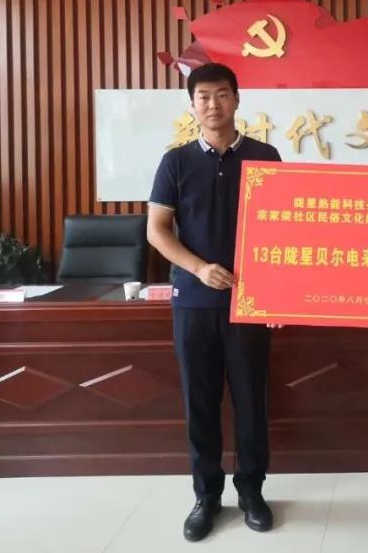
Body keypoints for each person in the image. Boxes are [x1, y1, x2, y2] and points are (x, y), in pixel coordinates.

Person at [147, 64, 281, 542]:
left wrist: (279, 295)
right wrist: (199, 268)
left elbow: (284, 229)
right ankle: (206, 496)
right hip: (194, 302)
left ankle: (252, 491)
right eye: (203, 96)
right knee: (200, 402)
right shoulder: (176, 162)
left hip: (251, 304)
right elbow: (157, 231)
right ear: (192, 105)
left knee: (251, 401)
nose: (213, 104)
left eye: (222, 95)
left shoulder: (265, 156)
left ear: (237, 100)